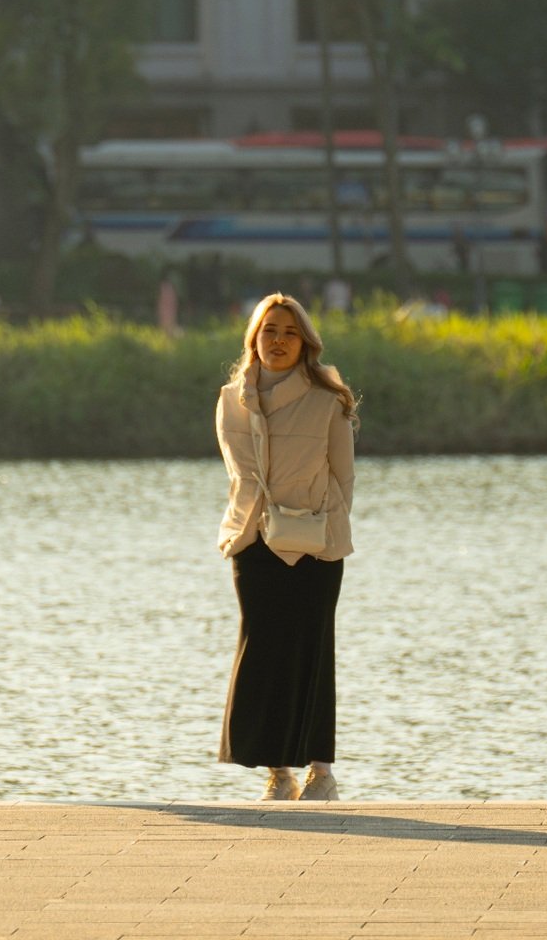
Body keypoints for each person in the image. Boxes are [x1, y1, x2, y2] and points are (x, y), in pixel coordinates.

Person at [215, 293, 358, 801]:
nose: (278, 340)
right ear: (254, 338)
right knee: (263, 654)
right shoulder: (232, 398)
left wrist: (316, 522)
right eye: (269, 330)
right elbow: (238, 476)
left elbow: (344, 477)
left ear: (306, 343)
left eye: (289, 332)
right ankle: (278, 773)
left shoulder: (328, 399)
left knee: (313, 652)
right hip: (253, 542)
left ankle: (321, 772)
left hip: (316, 545)